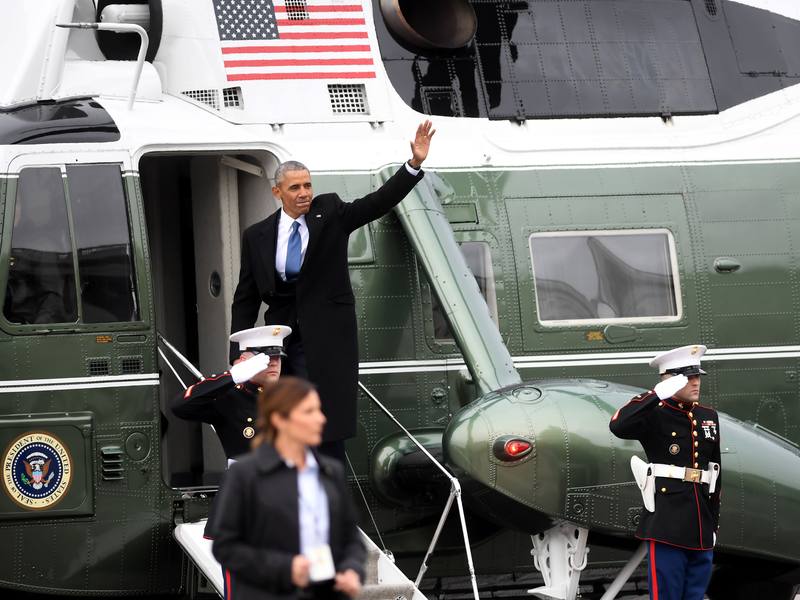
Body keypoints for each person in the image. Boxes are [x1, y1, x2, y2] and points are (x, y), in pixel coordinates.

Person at [229, 120, 436, 462]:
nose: (304, 193)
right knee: (280, 427)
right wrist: (239, 353)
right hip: (277, 343)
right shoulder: (258, 234)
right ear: (277, 192)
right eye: (295, 188)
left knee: (323, 429)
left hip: (323, 341)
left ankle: (332, 503)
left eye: (307, 185)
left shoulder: (331, 213)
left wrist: (412, 166)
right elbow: (246, 297)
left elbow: (376, 203)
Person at [211, 377, 366, 600]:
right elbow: (226, 547)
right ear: (279, 420)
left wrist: (352, 569)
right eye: (309, 412)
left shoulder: (331, 472)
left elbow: (351, 537)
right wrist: (287, 568)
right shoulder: (245, 475)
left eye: (319, 411)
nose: (321, 419)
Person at [610, 345, 722, 600]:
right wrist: (656, 395)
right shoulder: (655, 414)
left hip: (701, 524)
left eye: (697, 376)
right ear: (671, 381)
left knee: (695, 594)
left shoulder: (707, 416)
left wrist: (712, 522)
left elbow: (714, 474)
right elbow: (618, 425)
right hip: (667, 523)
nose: (696, 383)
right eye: (688, 377)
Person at [171, 325, 291, 461]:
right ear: (244, 362)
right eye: (267, 358)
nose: (274, 363)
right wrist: (231, 376)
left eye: (278, 357)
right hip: (247, 479)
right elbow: (180, 406)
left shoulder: (290, 396)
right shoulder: (229, 397)